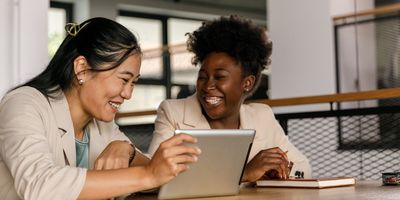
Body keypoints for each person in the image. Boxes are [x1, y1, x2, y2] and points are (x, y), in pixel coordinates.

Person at [0, 17, 201, 200]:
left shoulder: (102, 124)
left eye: (133, 83)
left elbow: (154, 173)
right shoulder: (23, 103)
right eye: (124, 80)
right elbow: (39, 186)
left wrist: (128, 152)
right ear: (82, 69)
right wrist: (148, 176)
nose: (128, 94)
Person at [148, 15, 311, 182]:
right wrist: (243, 174)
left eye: (219, 77)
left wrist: (280, 171)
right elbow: (153, 177)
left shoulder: (262, 116)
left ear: (247, 83)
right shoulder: (173, 113)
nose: (207, 86)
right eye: (203, 76)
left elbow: (303, 168)